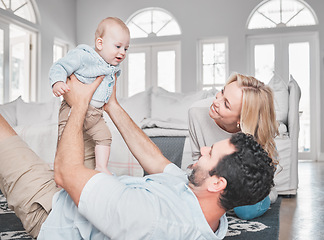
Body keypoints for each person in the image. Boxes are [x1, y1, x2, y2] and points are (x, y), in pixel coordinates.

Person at [0, 75, 275, 239]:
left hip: (53, 210)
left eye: (210, 152)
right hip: (90, 192)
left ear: (217, 184)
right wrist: (112, 105)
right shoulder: (204, 206)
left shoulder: (153, 218)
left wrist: (80, 104)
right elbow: (156, 162)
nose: (202, 150)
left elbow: (65, 172)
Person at [188, 72, 279, 220]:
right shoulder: (196, 112)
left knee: (245, 211)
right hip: (215, 182)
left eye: (226, 104)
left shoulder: (254, 133)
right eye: (222, 92)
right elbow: (197, 158)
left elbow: (257, 179)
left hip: (241, 185)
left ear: (241, 120)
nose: (216, 101)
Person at [49, 17, 130, 174]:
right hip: (72, 110)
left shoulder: (112, 67)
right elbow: (59, 66)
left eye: (126, 48)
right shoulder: (83, 56)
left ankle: (101, 167)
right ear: (100, 44)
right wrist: (57, 82)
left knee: (105, 137)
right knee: (66, 141)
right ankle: (62, 171)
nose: (122, 52)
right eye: (118, 46)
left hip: (95, 114)